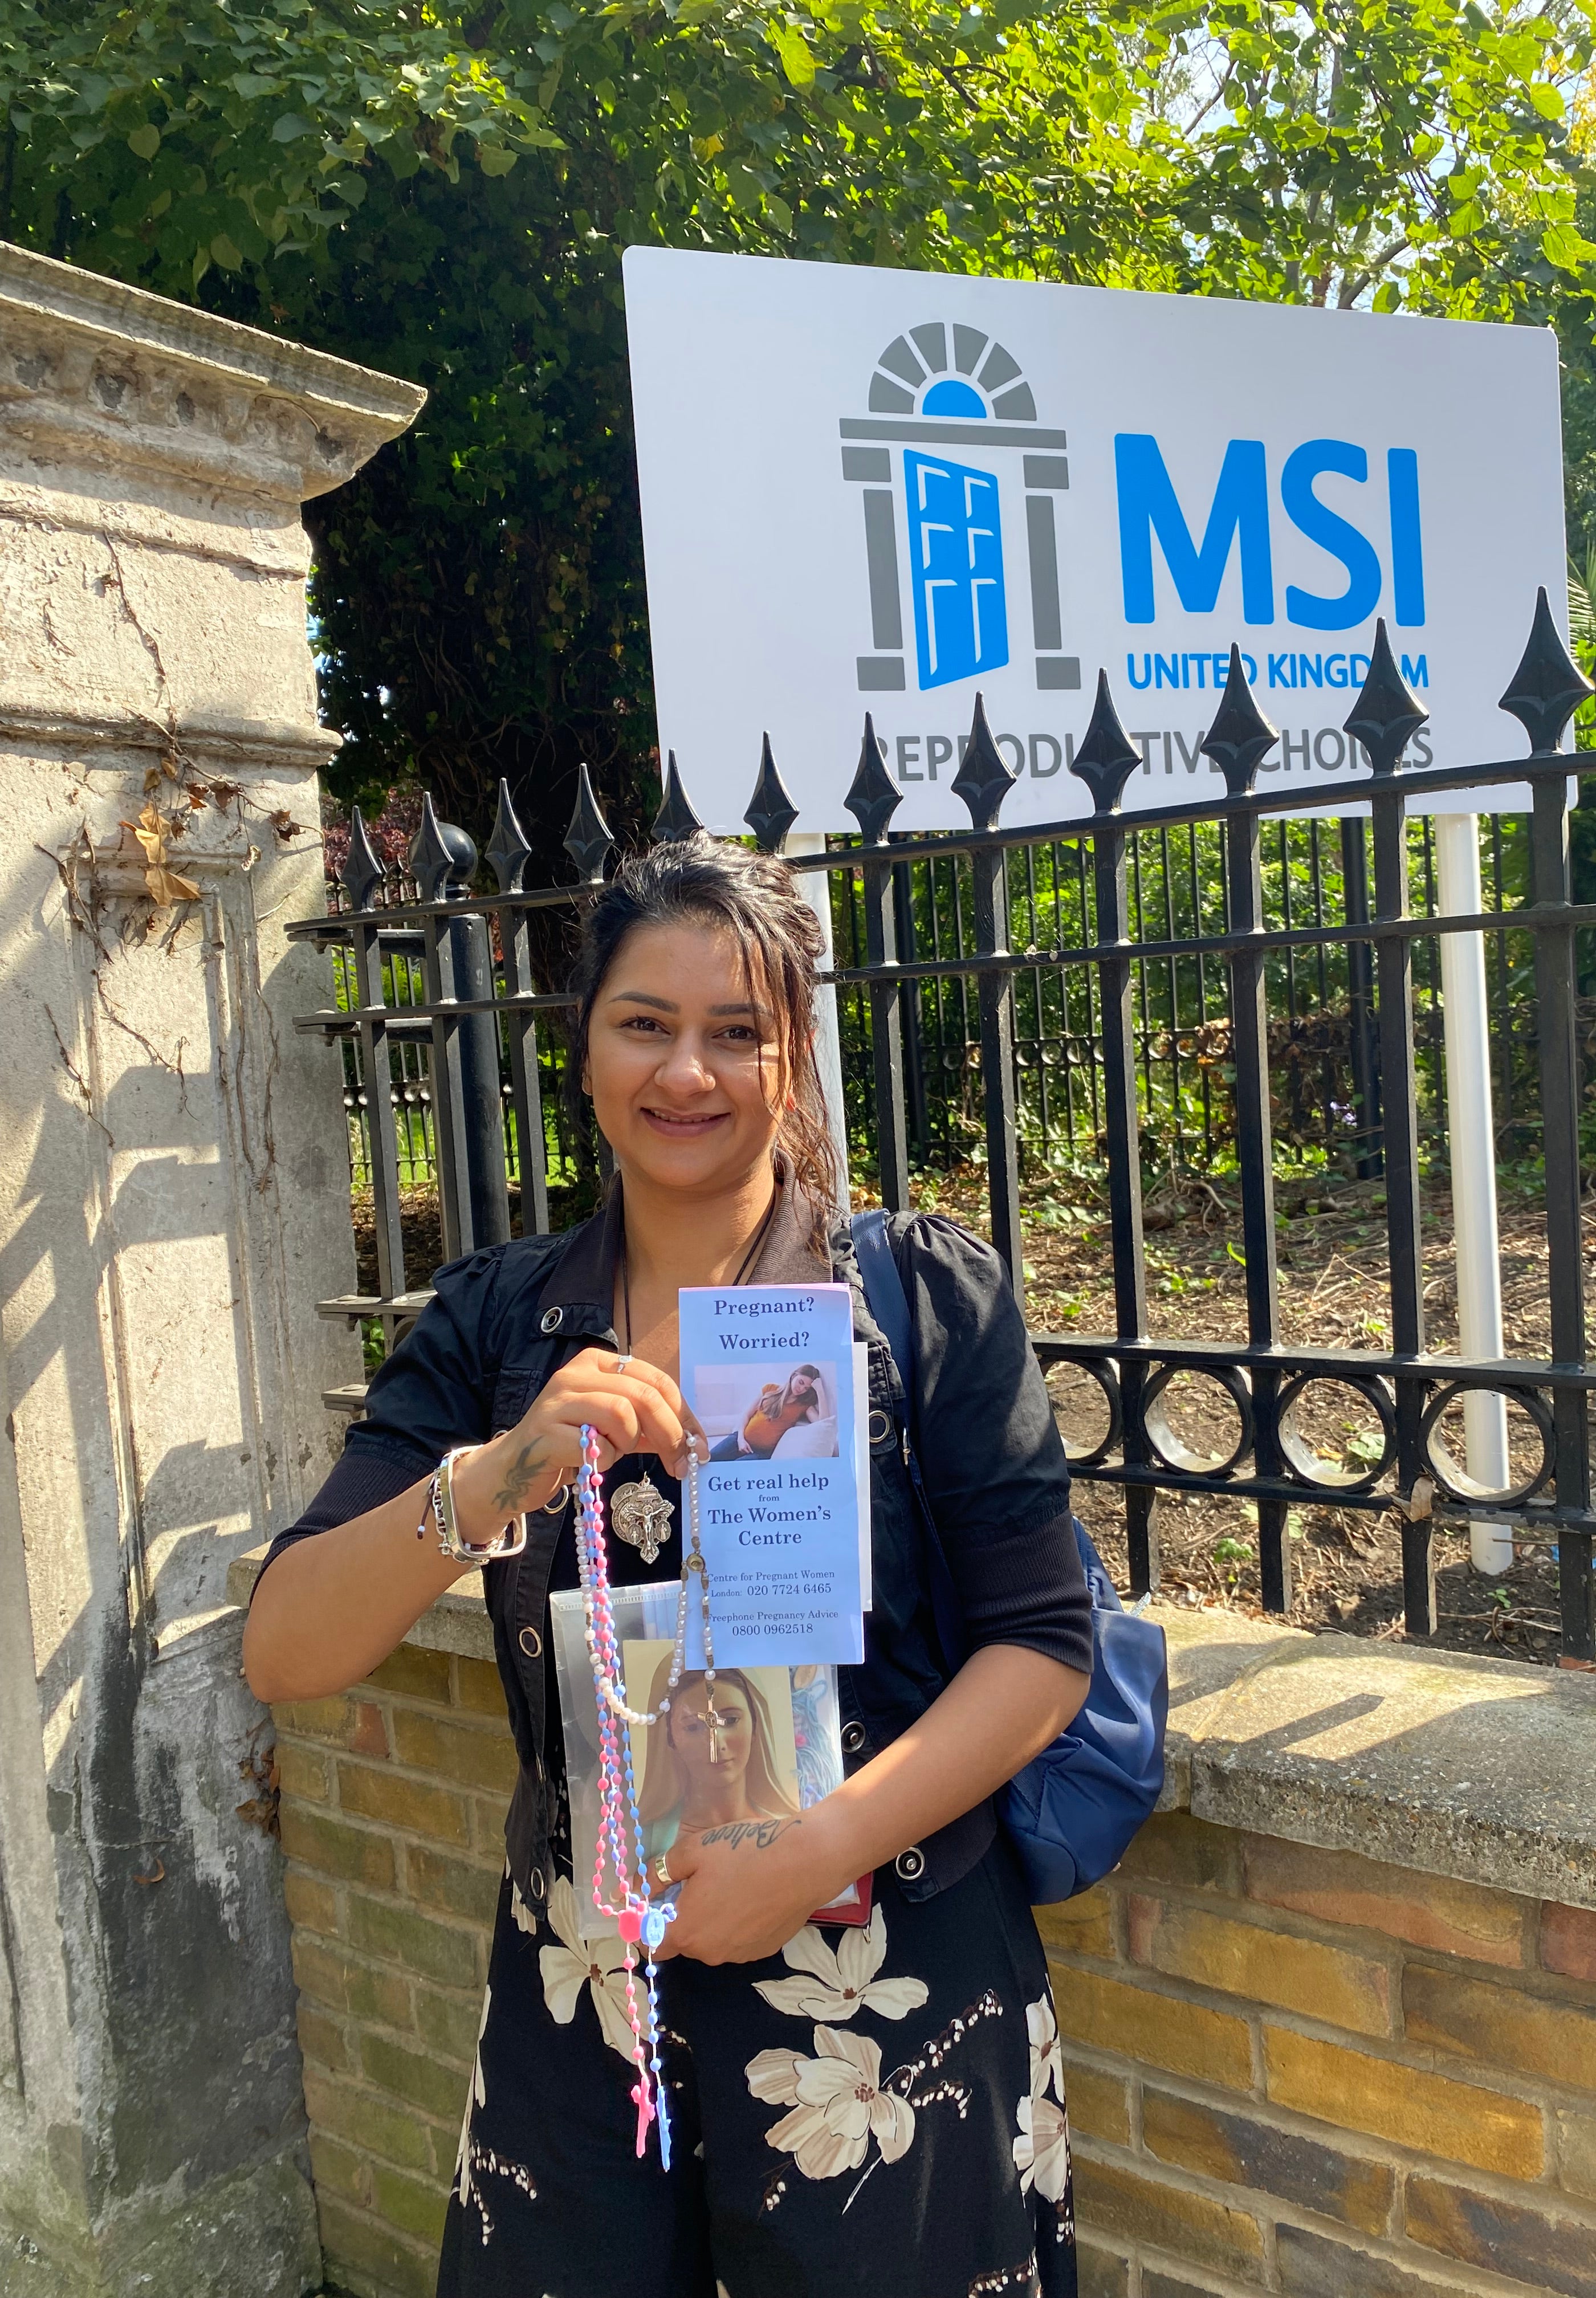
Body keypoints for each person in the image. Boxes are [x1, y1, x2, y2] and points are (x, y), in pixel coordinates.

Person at [243, 836, 1093, 2298]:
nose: (686, 1072)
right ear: (583, 1050)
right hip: (590, 2003)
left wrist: (816, 1851)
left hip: (884, 1993)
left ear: (794, 1059)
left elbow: (1042, 1646)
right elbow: (288, 1653)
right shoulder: (502, 1324)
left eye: (735, 1031)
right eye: (646, 1023)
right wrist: (500, 1471)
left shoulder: (916, 1303)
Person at [636, 1664, 799, 1860]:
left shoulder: (788, 1830)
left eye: (730, 1721)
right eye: (693, 1727)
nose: (716, 1744)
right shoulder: (641, 1840)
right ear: (670, 1739)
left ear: (755, 1725)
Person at [709, 1363, 828, 1460]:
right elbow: (746, 1414)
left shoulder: (804, 1406)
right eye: (801, 1382)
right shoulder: (770, 1389)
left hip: (761, 1453)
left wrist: (820, 1391)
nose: (801, 1389)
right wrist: (741, 1439)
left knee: (736, 1470)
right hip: (739, 1439)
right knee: (710, 1459)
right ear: (793, 1376)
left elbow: (824, 1425)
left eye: (807, 1388)